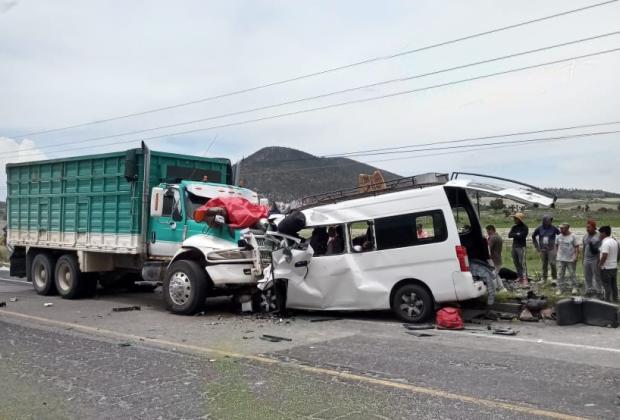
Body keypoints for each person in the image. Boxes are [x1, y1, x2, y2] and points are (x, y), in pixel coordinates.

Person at [531, 215, 560, 284]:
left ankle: (554, 278)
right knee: (544, 264)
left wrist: (558, 244)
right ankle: (544, 279)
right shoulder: (539, 228)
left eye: (550, 220)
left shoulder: (554, 228)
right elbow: (533, 236)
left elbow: (561, 235)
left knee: (552, 263)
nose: (549, 221)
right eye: (548, 220)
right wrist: (537, 247)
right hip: (542, 249)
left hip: (551, 248)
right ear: (544, 221)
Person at [555, 223, 580, 296]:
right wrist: (557, 253)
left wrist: (576, 256)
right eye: (560, 228)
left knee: (572, 274)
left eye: (562, 228)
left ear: (567, 228)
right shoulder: (558, 236)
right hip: (561, 258)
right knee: (560, 274)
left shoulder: (573, 236)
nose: (561, 229)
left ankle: (574, 287)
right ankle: (560, 288)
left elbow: (577, 247)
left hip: (570, 259)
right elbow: (556, 245)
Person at [598, 226, 618, 303]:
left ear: (603, 233)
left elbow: (604, 255)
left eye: (600, 233)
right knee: (614, 285)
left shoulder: (605, 243)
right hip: (614, 267)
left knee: (606, 285)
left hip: (606, 268)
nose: (599, 235)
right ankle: (615, 300)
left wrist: (600, 265)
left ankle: (607, 302)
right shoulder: (614, 241)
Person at [582, 219, 602, 298]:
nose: (587, 229)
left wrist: (600, 260)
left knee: (596, 276)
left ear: (594, 227)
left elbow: (601, 249)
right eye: (586, 227)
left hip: (595, 258)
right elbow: (584, 247)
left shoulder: (599, 236)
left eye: (589, 227)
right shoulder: (585, 236)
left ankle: (599, 291)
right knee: (587, 275)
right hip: (587, 258)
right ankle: (588, 290)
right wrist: (583, 258)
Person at [508, 212, 528, 286]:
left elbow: (522, 236)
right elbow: (509, 235)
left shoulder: (525, 227)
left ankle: (525, 278)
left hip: (521, 247)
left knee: (522, 263)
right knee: (516, 262)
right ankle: (520, 277)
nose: (514, 219)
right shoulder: (514, 227)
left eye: (515, 218)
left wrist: (515, 235)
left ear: (520, 219)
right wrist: (517, 234)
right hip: (514, 246)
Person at [486, 225, 504, 290]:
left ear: (491, 230)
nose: (487, 232)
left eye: (488, 230)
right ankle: (501, 287)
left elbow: (488, 248)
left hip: (493, 259)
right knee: (496, 274)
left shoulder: (492, 238)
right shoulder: (498, 237)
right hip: (498, 258)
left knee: (493, 275)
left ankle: (495, 288)